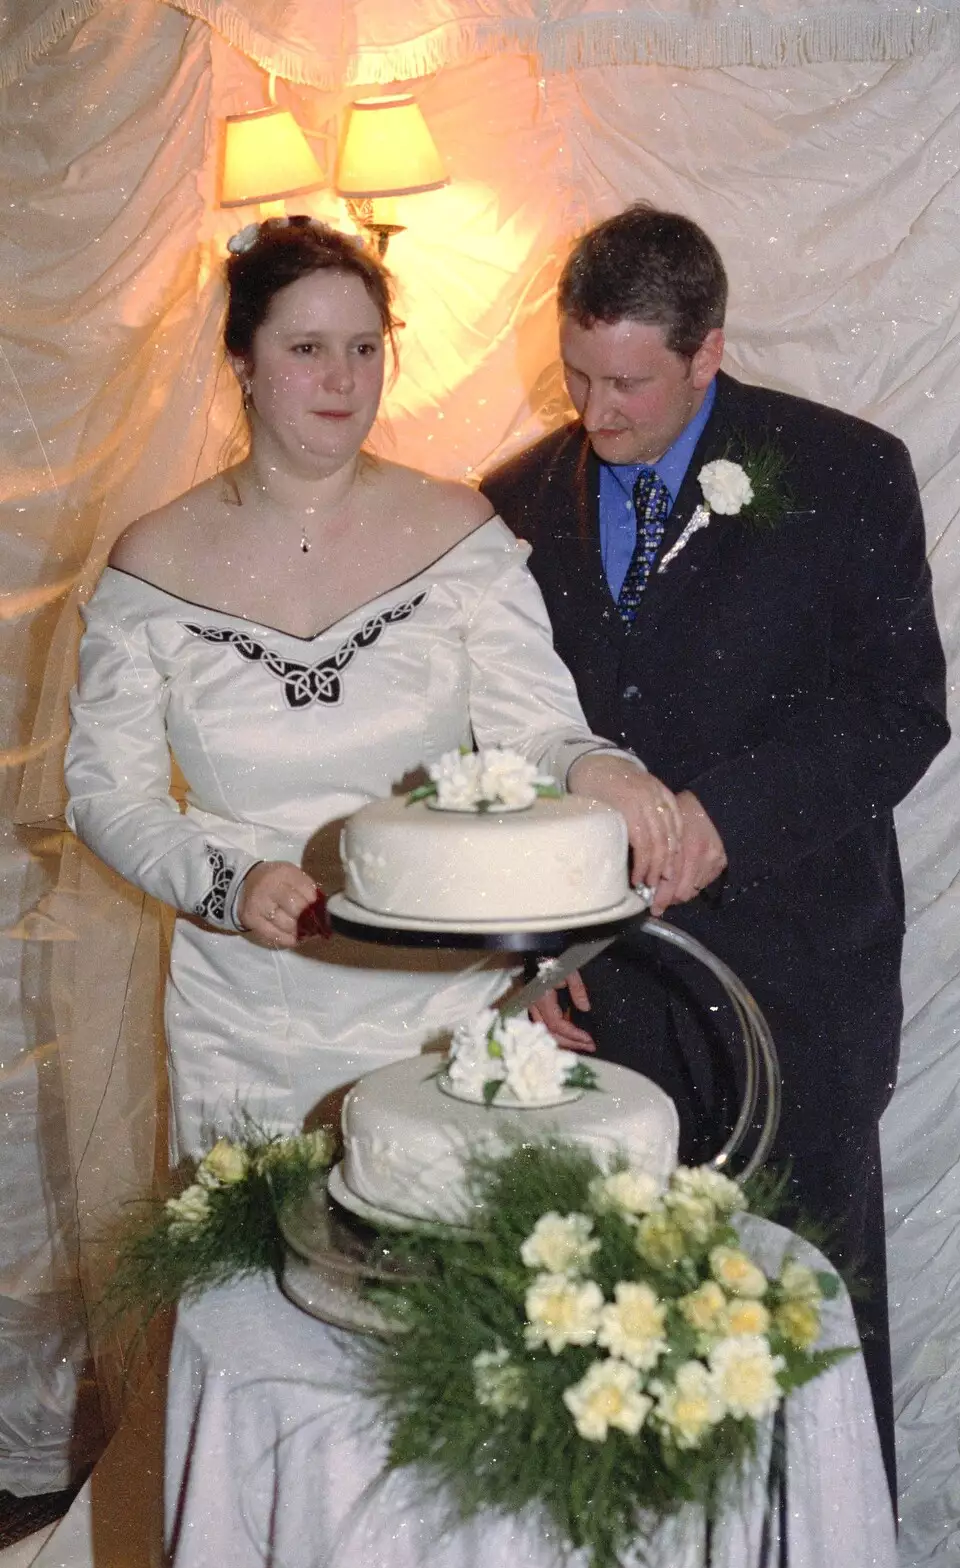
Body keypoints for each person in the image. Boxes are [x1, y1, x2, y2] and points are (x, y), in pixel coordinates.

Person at [482, 203, 951, 1501]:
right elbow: (493, 741)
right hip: (597, 1003)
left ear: (709, 351)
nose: (595, 410)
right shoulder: (508, 504)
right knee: (608, 1349)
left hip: (798, 990)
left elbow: (897, 713)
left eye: (626, 380)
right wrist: (532, 944)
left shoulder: (848, 470)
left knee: (797, 1337)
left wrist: (719, 818)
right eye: (576, 374)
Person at [63, 215, 681, 1161]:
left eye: (362, 348)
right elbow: (109, 791)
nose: (343, 381)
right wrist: (225, 885)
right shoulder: (154, 560)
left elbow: (538, 731)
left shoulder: (459, 532)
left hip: (442, 994)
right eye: (306, 349)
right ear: (242, 360)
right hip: (250, 1006)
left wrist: (606, 774)